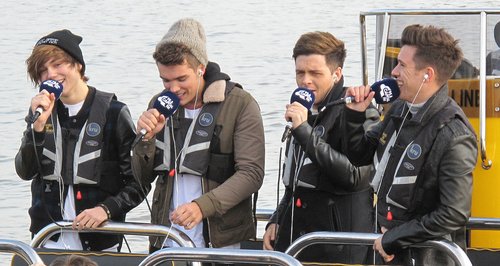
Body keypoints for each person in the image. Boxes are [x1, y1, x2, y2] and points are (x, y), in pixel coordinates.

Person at [343, 24, 478, 265]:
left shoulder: (454, 133)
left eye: (402, 65)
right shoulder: (399, 109)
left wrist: (396, 237)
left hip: (426, 256)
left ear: (427, 73)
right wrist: (355, 117)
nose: (393, 72)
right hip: (383, 248)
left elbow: (454, 213)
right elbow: (359, 156)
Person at [132, 18, 265, 251]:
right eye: (166, 80)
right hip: (166, 238)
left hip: (222, 240)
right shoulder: (158, 104)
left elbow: (252, 174)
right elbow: (140, 179)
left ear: (201, 68)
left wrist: (202, 207)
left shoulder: (240, 104)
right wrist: (146, 140)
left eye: (182, 79)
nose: (173, 89)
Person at [15, 29, 149, 251]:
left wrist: (106, 209)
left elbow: (139, 183)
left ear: (77, 64)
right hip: (47, 239)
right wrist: (36, 130)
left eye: (57, 65)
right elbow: (24, 171)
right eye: (42, 71)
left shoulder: (114, 113)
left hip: (100, 240)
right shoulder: (40, 112)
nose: (50, 74)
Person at [262, 31, 379, 264]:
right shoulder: (302, 112)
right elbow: (294, 180)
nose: (305, 80)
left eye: (315, 73)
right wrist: (277, 219)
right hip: (298, 239)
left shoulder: (360, 109)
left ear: (337, 74)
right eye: (300, 73)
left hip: (339, 244)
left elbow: (356, 176)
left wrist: (304, 131)